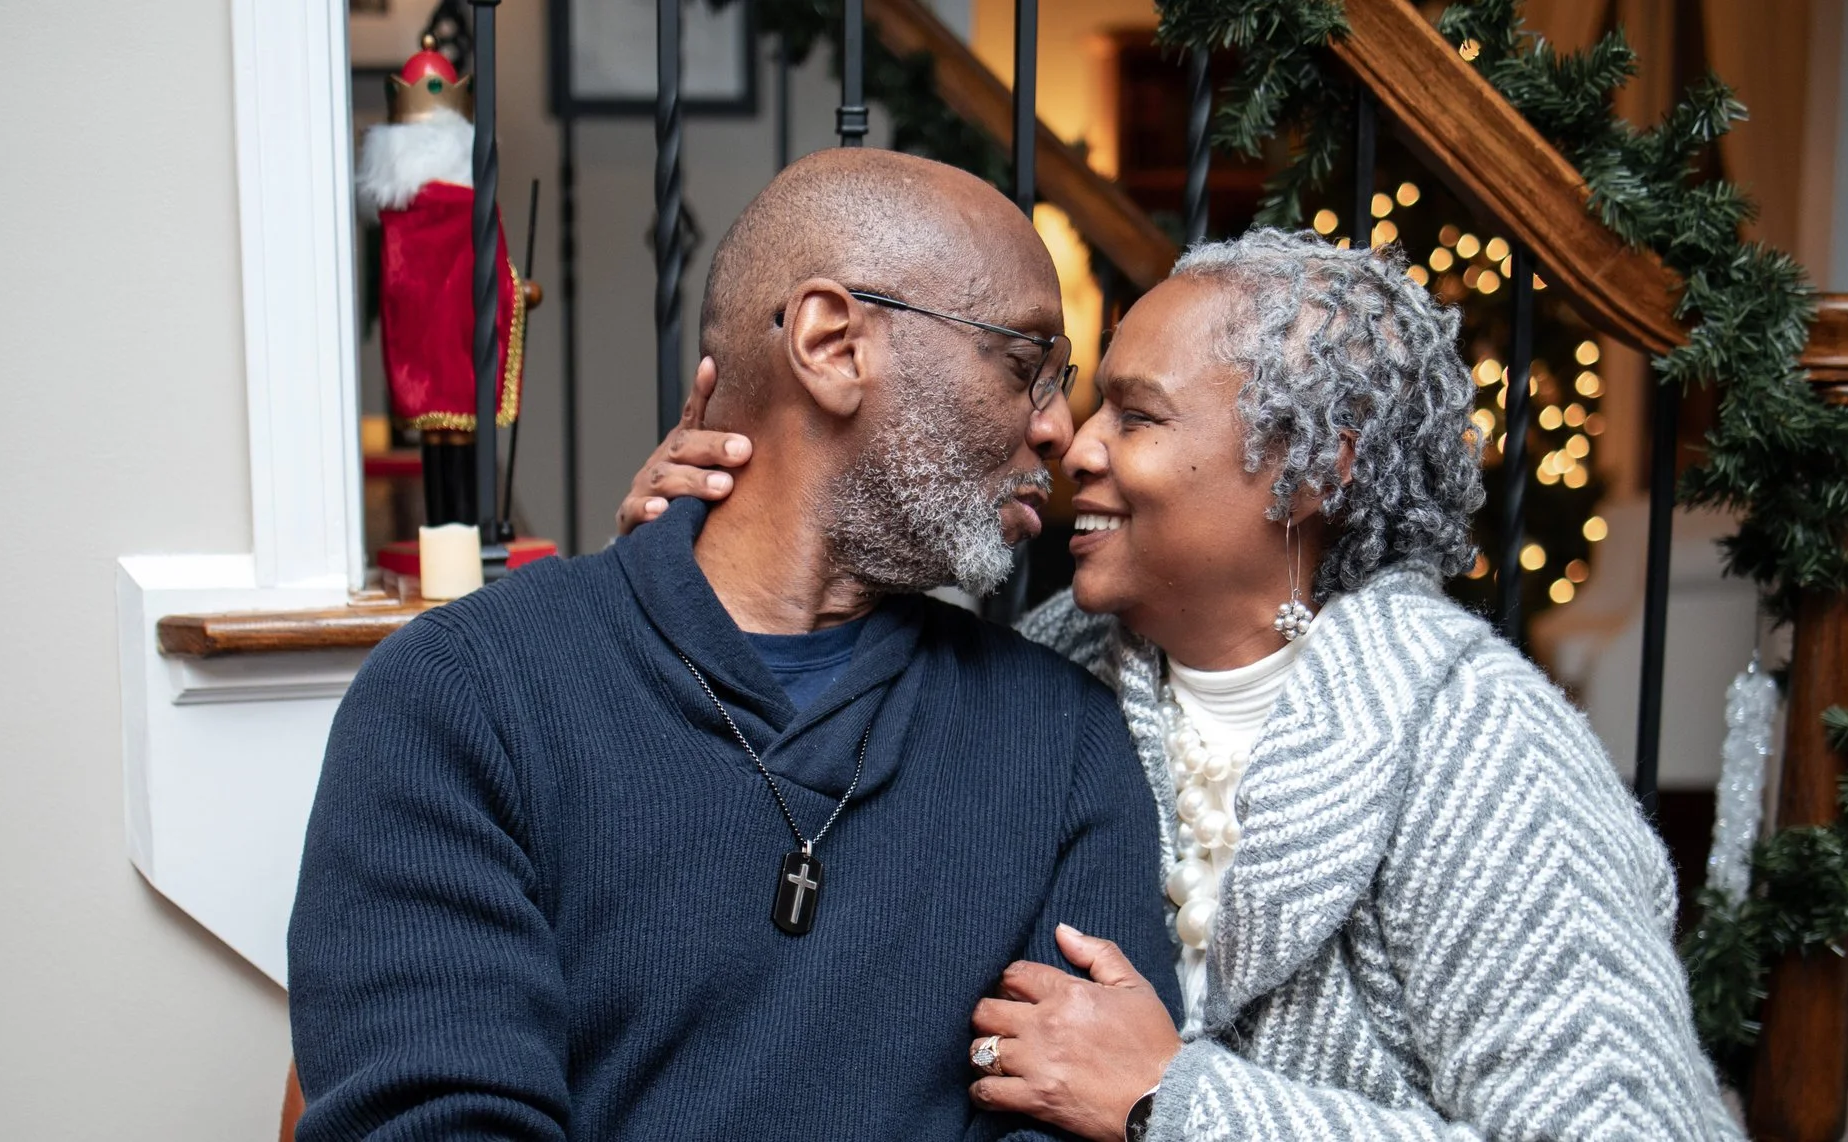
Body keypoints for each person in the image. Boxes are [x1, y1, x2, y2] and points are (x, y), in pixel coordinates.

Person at [624, 230, 1744, 1140]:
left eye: (1138, 413)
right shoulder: (1044, 675)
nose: (1072, 444)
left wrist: (1183, 1104)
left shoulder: (1476, 744)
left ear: (1313, 468)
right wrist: (701, 561)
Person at [288, 148, 1177, 1141]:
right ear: (833, 343)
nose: (1060, 429)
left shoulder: (1061, 739)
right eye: (1023, 363)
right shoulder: (465, 695)